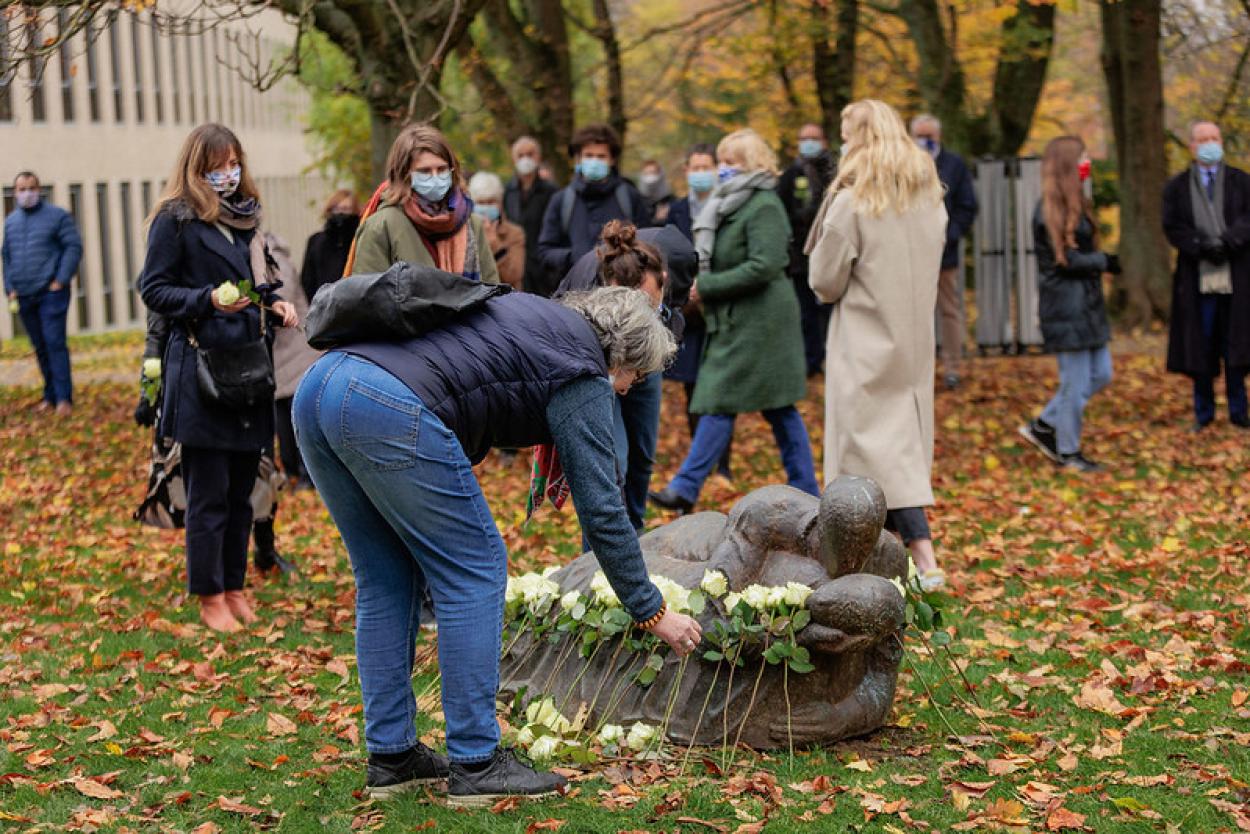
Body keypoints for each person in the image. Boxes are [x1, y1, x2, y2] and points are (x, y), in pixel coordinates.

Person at [292, 286, 703, 805]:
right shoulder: (581, 368)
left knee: (386, 576)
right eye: (632, 378)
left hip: (321, 386)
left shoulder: (536, 320)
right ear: (620, 355)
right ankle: (477, 762)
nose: (625, 391)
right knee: (476, 568)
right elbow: (602, 509)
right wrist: (651, 609)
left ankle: (392, 757)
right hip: (384, 402)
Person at [138, 123, 299, 632]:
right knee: (207, 494)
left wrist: (275, 304)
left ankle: (234, 586)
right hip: (201, 372)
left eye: (234, 164)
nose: (227, 175)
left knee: (240, 494)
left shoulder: (248, 219)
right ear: (196, 167)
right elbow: (155, 290)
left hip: (250, 372)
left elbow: (257, 286)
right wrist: (205, 298)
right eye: (217, 166)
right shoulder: (176, 220)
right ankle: (209, 596)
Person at [806, 99, 949, 591]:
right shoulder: (930, 200)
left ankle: (893, 562)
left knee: (863, 461)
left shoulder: (852, 203)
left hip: (863, 341)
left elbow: (823, 280)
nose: (842, 144)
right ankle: (913, 561)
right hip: (912, 340)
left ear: (861, 140)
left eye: (847, 135)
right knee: (900, 454)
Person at [649, 129, 819, 514]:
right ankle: (690, 487)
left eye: (731, 163)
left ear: (753, 165)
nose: (723, 170)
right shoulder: (728, 203)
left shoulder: (763, 206)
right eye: (721, 162)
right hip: (738, 322)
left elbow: (766, 264)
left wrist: (706, 286)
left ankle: (688, 486)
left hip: (763, 326)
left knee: (749, 403)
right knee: (737, 403)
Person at [558, 220, 695, 530]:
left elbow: (675, 327)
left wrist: (640, 369)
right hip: (596, 368)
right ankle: (601, 546)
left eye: (646, 302)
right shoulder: (587, 285)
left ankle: (636, 532)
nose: (638, 310)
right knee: (612, 458)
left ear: (663, 281)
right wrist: (614, 374)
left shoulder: (670, 282)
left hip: (644, 366)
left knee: (643, 455)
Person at [1018, 136, 1121, 472]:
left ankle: (1044, 424)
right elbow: (1065, 261)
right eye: (1082, 158)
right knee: (1074, 384)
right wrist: (1103, 261)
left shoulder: (1077, 204)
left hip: (1087, 307)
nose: (1087, 163)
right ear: (1067, 165)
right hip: (1066, 309)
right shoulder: (1046, 212)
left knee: (1101, 374)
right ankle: (1068, 451)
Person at [1163, 120, 1250, 431]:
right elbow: (1173, 227)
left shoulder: (1241, 182)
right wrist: (1201, 246)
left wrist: (1228, 242)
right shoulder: (1176, 187)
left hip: (1236, 278)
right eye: (1204, 139)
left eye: (1215, 137)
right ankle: (1203, 412)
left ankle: (1240, 413)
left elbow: (1247, 219)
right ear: (1192, 146)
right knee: (1201, 345)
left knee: (1237, 345)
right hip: (1196, 279)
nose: (1210, 143)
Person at [347, 124, 500, 284]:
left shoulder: (470, 222)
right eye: (425, 171)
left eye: (441, 169)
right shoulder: (381, 226)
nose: (435, 177)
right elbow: (369, 298)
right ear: (404, 174)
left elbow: (493, 290)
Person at [665, 144, 732, 478]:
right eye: (696, 166)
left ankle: (723, 463)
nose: (701, 172)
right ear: (687, 170)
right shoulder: (677, 211)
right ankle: (700, 459)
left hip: (720, 306)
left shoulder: (728, 207)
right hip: (687, 311)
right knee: (692, 386)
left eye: (707, 166)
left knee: (721, 388)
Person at [2, 171, 83, 415]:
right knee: (39, 346)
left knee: (54, 343)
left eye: (31, 188)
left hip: (51, 293)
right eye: (21, 189)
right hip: (24, 294)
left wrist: (60, 280)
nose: (26, 193)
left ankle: (63, 399)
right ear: (15, 192)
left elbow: (73, 247)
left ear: (39, 189)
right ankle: (49, 395)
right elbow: (6, 256)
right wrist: (10, 287)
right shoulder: (11, 221)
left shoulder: (57, 216)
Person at [910, 114, 978, 391]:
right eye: (920, 134)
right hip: (910, 254)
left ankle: (952, 367)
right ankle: (915, 368)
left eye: (930, 135)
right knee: (912, 312)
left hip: (943, 253)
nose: (925, 140)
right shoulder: (903, 164)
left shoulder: (954, 164)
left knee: (949, 310)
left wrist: (949, 235)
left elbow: (967, 205)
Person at [535, 124, 650, 287]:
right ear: (578, 159)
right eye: (588, 155)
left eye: (601, 156)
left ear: (612, 160)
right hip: (574, 292)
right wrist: (574, 256)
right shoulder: (561, 200)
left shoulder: (629, 197)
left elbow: (647, 244)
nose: (594, 161)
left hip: (622, 292)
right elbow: (544, 251)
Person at [777, 123, 837, 377]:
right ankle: (810, 361)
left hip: (831, 253)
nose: (809, 143)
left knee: (831, 310)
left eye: (814, 138)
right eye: (804, 139)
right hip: (800, 257)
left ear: (824, 141)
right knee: (805, 312)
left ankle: (832, 358)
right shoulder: (791, 175)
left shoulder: (835, 173)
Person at [269, 231, 320, 492]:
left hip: (296, 349)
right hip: (281, 353)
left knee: (296, 415)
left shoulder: (275, 259)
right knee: (283, 415)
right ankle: (294, 472)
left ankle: (307, 473)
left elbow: (282, 297)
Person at [503, 136, 559, 296]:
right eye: (520, 155)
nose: (525, 159)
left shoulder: (551, 192)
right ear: (514, 159)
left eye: (530, 154)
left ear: (538, 157)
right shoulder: (508, 191)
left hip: (543, 268)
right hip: (516, 265)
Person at [468, 172, 526, 290]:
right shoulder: (465, 231)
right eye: (481, 202)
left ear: (500, 203)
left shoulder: (514, 233)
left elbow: (514, 276)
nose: (486, 207)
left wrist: (495, 244)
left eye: (491, 202)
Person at [300, 189, 360, 301]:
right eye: (336, 208)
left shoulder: (359, 241)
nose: (340, 213)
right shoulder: (316, 241)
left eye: (346, 209)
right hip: (322, 306)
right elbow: (307, 280)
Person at [668, 143, 717, 240]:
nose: (700, 172)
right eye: (695, 168)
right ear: (686, 170)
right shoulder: (676, 209)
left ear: (716, 168)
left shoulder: (727, 205)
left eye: (706, 168)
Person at [638, 159, 675, 226]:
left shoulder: (672, 201)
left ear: (660, 174)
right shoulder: (638, 202)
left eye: (653, 173)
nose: (650, 177)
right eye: (647, 174)